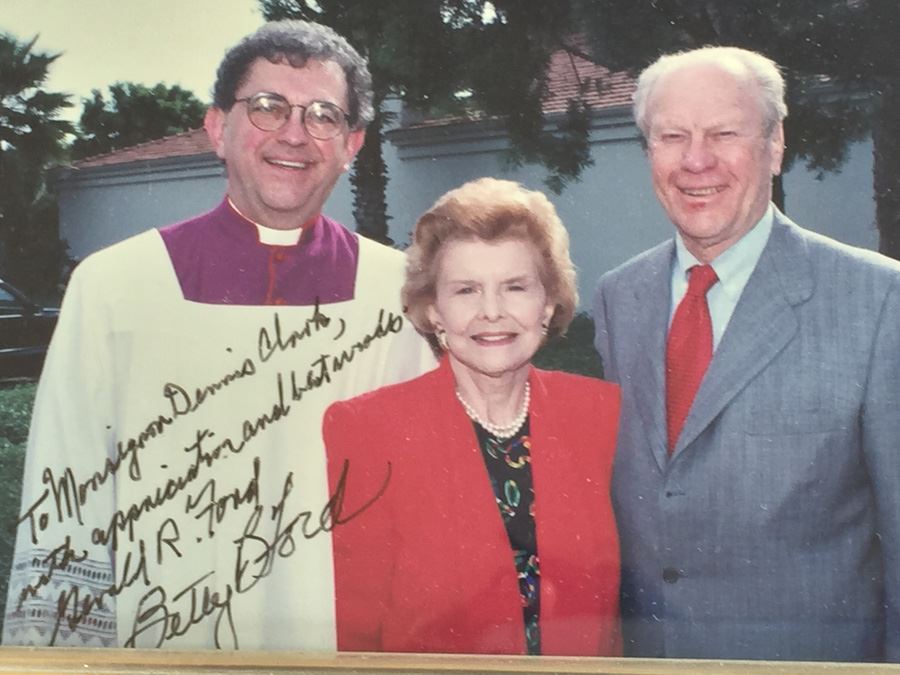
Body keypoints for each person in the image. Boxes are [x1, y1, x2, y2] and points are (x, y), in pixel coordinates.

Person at [3, 20, 434, 650]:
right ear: (216, 129)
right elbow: (65, 493)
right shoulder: (114, 288)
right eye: (266, 107)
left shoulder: (401, 295)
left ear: (352, 145)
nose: (294, 133)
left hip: (346, 648)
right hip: (160, 645)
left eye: (322, 115)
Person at [593, 46, 900, 662]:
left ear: (776, 142)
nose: (696, 160)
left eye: (724, 133)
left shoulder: (878, 300)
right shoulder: (616, 297)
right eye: (671, 136)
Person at [323, 177, 621, 656]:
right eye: (465, 290)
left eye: (515, 287)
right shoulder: (368, 430)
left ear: (547, 304)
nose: (491, 312)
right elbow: (354, 632)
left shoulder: (601, 415)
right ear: (433, 310)